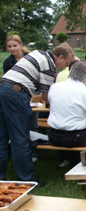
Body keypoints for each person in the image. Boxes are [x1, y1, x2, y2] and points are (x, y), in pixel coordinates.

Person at [0, 43, 73, 181]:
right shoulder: (49, 65)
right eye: (65, 63)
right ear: (60, 57)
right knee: (20, 139)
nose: (63, 67)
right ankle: (26, 180)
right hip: (17, 95)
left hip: (3, 89)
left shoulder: (38, 53)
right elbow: (47, 97)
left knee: (2, 138)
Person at [48, 61, 86, 166]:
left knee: (77, 126)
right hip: (76, 138)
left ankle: (68, 159)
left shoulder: (54, 87)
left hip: (53, 136)